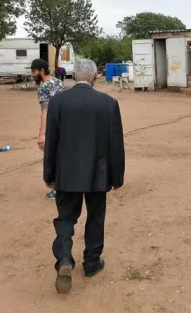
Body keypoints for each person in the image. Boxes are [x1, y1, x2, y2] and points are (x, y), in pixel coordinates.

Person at [43, 58, 125, 294]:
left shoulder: (58, 102)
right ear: (93, 76)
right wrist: (117, 176)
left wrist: (49, 174)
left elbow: (52, 142)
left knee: (66, 217)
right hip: (98, 173)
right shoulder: (108, 103)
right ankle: (91, 263)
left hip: (66, 173)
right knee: (96, 217)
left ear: (75, 76)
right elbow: (115, 143)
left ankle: (65, 260)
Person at [31, 58, 64, 200]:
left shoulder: (44, 86)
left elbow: (45, 111)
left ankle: (57, 189)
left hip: (52, 128)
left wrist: (42, 134)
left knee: (53, 157)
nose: (32, 75)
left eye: (34, 71)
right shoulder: (58, 82)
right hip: (65, 125)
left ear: (42, 71)